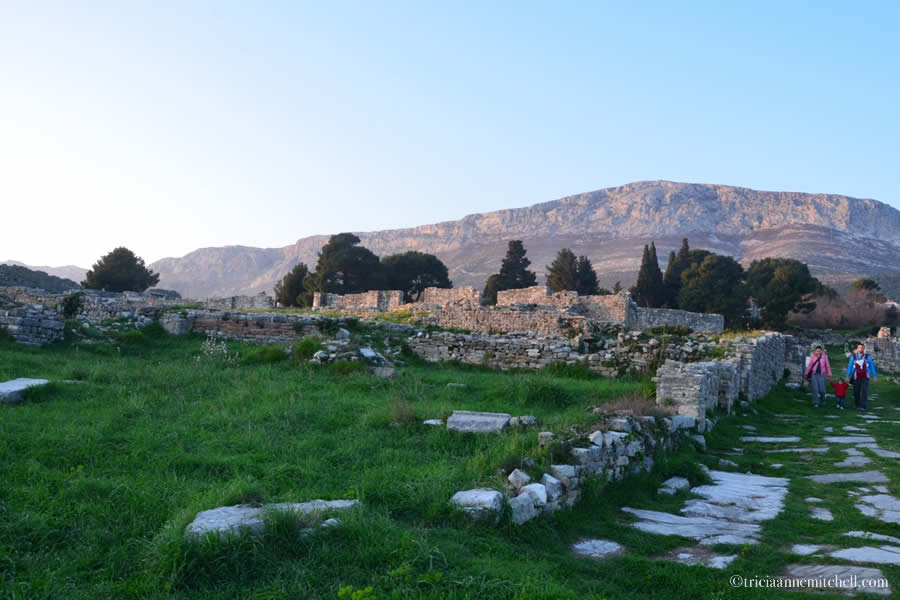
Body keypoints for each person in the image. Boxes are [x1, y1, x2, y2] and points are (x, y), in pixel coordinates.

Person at [846, 342, 878, 410]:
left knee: (864, 391)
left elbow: (872, 366)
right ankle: (857, 405)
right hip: (856, 376)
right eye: (859, 347)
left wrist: (875, 376)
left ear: (864, 349)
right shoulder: (853, 357)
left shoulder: (868, 357)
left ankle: (863, 406)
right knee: (856, 391)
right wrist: (848, 376)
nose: (861, 349)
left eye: (862, 347)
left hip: (865, 376)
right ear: (857, 349)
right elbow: (850, 367)